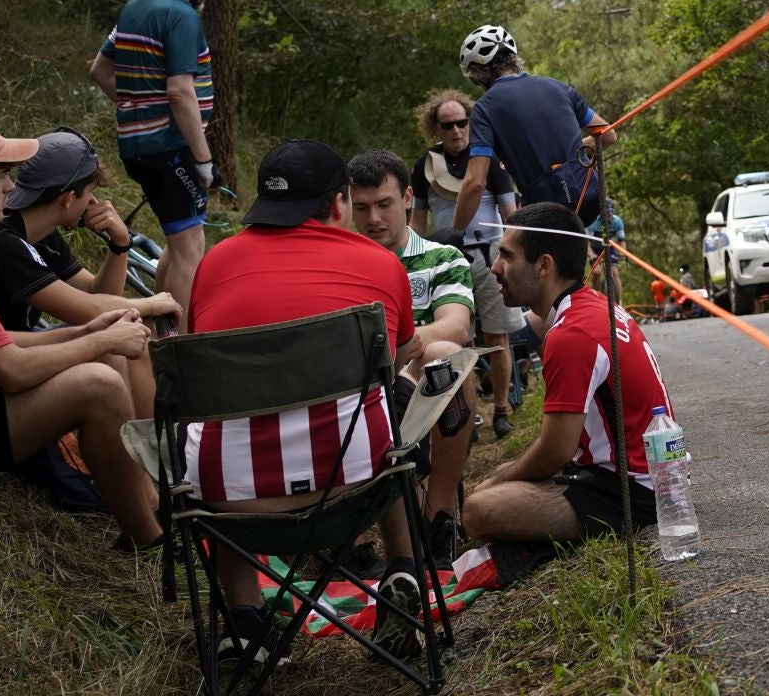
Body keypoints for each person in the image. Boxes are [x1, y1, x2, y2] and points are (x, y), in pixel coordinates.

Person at [186, 139, 427, 664]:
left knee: (222, 430)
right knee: (391, 404)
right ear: (339, 203)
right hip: (355, 486)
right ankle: (402, 570)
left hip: (231, 503)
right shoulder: (379, 264)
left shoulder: (212, 264)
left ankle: (245, 620)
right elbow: (403, 349)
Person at [0, 122, 161, 550]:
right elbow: (11, 371)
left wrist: (87, 331)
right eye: (2, 176)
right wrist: (97, 340)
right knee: (97, 384)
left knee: (109, 356)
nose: (10, 189)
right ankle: (148, 539)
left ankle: (151, 498)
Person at [464, 202, 672, 576]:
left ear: (543, 266)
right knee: (502, 478)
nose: (495, 268)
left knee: (479, 508)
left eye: (506, 256)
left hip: (632, 493)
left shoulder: (570, 333)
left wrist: (499, 480)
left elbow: (556, 450)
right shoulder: (591, 305)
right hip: (650, 474)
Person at [0, 128, 182, 417]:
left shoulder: (41, 234)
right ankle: (154, 445)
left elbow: (98, 296)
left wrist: (120, 244)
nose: (93, 204)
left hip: (20, 347)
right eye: (90, 193)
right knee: (129, 343)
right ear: (68, 198)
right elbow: (88, 310)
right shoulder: (1, 241)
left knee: (126, 338)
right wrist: (151, 303)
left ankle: (150, 443)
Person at [88, 0, 227, 318]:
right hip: (171, 150)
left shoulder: (135, 8)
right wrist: (203, 160)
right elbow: (180, 91)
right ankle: (177, 349)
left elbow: (100, 69)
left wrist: (134, 108)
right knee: (190, 250)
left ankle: (157, 335)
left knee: (176, 241)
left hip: (137, 148)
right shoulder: (180, 15)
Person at [348, 148, 478, 560]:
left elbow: (456, 325)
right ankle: (353, 534)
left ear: (406, 198)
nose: (373, 218)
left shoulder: (442, 257)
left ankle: (437, 517)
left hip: (422, 380)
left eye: (384, 204)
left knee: (445, 352)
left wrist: (400, 351)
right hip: (359, 383)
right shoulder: (342, 264)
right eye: (362, 208)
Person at [409, 89, 524, 433]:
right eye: (448, 125)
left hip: (490, 258)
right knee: (458, 342)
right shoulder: (425, 165)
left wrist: (513, 257)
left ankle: (501, 411)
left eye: (462, 122)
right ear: (436, 128)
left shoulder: (488, 158)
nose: (457, 130)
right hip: (445, 263)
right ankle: (468, 412)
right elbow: (418, 220)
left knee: (498, 336)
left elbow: (511, 215)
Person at [451, 25, 617, 233]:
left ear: (478, 73)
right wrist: (576, 151)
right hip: (590, 198)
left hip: (544, 213)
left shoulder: (485, 108)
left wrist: (454, 233)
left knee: (513, 262)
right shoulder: (557, 86)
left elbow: (475, 182)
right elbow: (608, 135)